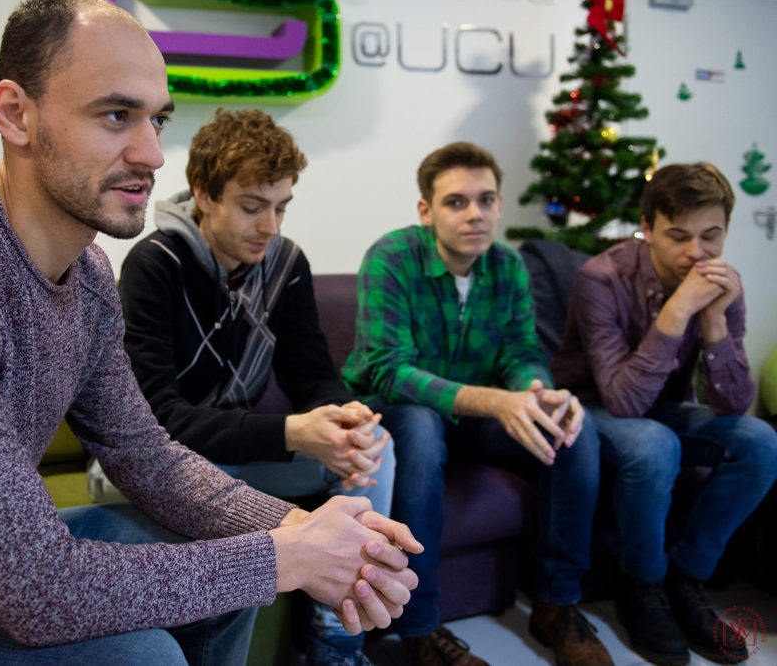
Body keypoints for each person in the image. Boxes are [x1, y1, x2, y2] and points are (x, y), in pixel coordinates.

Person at [0, 0, 421, 664]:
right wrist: (286, 556)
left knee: (228, 560)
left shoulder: (90, 273)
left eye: (157, 119)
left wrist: (305, 530)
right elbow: (36, 587)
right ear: (15, 114)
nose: (153, 153)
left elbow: (147, 456)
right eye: (116, 115)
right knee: (146, 652)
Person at [112, 107, 396, 665]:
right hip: (153, 466)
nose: (270, 226)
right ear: (204, 194)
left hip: (235, 461)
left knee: (376, 452)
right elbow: (158, 420)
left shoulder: (285, 264)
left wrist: (341, 421)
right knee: (231, 516)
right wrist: (292, 432)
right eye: (251, 206)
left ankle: (335, 643)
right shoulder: (154, 265)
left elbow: (312, 376)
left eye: (281, 207)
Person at [343, 142, 611, 666]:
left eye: (486, 200)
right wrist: (496, 401)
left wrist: (536, 392)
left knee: (571, 429)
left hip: (475, 417)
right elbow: (390, 371)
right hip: (396, 410)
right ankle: (420, 628)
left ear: (500, 204)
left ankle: (557, 604)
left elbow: (521, 353)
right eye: (457, 202)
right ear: (426, 211)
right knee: (422, 427)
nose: (475, 214)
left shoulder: (507, 266)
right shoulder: (391, 258)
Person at [553, 162, 777, 665]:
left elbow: (732, 404)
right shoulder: (600, 278)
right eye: (678, 236)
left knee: (761, 442)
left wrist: (715, 321)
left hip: (665, 409)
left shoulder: (722, 285)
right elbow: (623, 402)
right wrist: (677, 312)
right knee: (654, 443)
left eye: (710, 236)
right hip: (590, 408)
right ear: (647, 228)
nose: (696, 253)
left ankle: (685, 577)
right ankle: (642, 584)